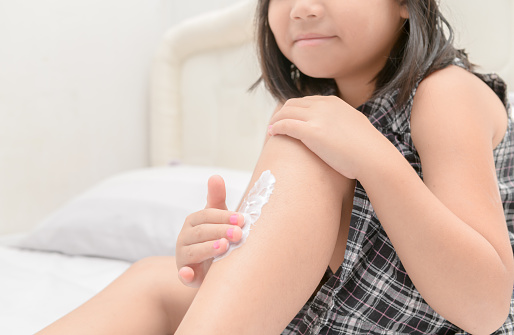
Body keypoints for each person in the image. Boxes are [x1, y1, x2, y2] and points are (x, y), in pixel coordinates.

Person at [37, 0, 514, 334]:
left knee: (305, 140)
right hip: (332, 315)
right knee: (154, 279)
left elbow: (487, 309)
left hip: (424, 323)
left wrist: (374, 158)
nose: (302, 7)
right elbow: (291, 250)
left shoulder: (445, 94)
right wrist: (222, 260)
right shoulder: (314, 110)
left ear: (406, 3)